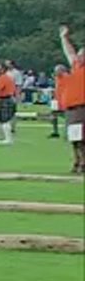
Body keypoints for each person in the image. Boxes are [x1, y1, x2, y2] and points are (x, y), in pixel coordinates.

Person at [59, 26, 85, 173]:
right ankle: (77, 162)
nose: (78, 58)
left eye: (82, 56)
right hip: (72, 108)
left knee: (81, 138)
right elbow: (69, 52)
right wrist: (64, 38)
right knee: (74, 138)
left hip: (82, 107)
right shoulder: (76, 67)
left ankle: (82, 163)